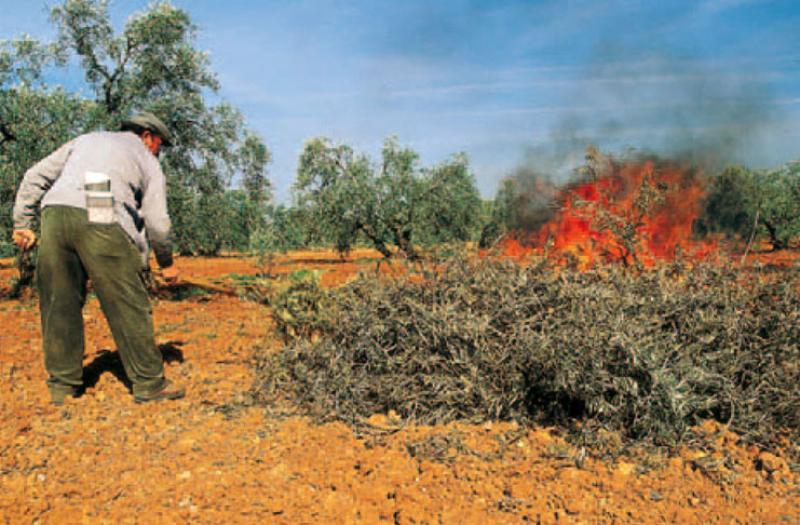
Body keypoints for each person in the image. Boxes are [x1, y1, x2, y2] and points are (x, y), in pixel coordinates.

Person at [12, 111, 185, 405]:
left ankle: (63, 387)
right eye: (160, 145)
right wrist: (166, 262)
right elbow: (157, 221)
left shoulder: (86, 139)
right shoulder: (146, 159)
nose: (159, 151)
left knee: (59, 303)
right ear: (147, 136)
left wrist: (22, 223)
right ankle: (149, 384)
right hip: (99, 206)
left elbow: (34, 176)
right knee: (127, 301)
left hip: (54, 212)